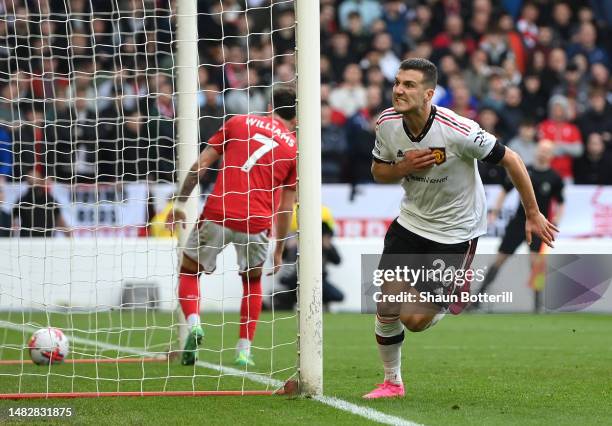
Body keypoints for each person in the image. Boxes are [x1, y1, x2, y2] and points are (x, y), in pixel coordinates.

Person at [365, 58, 558, 399]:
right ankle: (392, 383)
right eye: (397, 82)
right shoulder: (386, 123)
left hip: (455, 232)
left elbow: (511, 159)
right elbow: (378, 171)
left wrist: (532, 213)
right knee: (387, 302)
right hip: (410, 222)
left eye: (409, 85)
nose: (398, 90)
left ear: (429, 94)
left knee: (414, 321)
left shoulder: (458, 130)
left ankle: (450, 295)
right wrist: (401, 167)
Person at [167, 86, 297, 367]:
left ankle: (194, 324)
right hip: (257, 223)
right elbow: (287, 208)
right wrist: (280, 249)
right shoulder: (293, 148)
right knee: (251, 282)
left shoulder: (238, 122)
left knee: (189, 272)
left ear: (270, 105)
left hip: (219, 211)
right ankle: (243, 350)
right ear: (297, 120)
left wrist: (179, 204)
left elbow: (200, 166)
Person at [471, 140, 564, 313]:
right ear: (537, 151)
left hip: (538, 226)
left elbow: (561, 202)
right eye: (541, 149)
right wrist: (495, 211)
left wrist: (556, 220)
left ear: (551, 155)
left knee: (535, 263)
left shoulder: (555, 178)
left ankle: (538, 306)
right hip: (518, 223)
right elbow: (505, 190)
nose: (543, 153)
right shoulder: (524, 169)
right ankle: (477, 300)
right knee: (500, 259)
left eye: (547, 151)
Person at [12, 169, 72, 238]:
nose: (34, 185)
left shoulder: (50, 200)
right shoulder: (22, 200)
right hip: (27, 240)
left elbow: (59, 221)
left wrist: (70, 237)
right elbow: (12, 221)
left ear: (41, 181)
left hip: (46, 240)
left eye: (36, 181)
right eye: (31, 182)